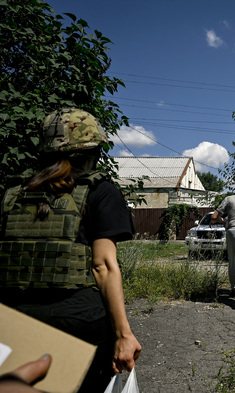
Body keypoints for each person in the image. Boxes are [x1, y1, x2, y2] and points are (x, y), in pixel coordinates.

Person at [0, 108, 141, 392]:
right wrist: (123, 334)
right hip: (79, 320)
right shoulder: (99, 190)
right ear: (91, 150)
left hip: (13, 318)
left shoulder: (12, 193)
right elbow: (103, 267)